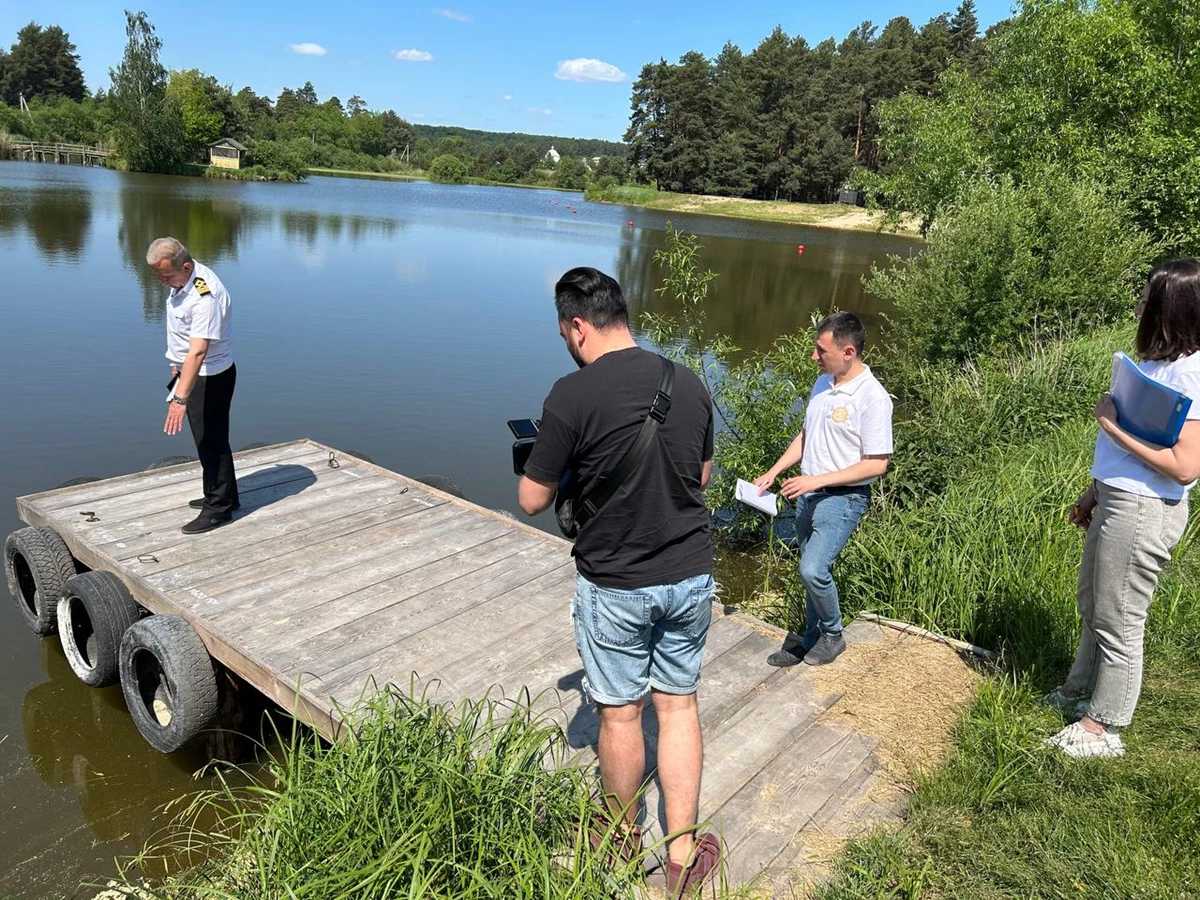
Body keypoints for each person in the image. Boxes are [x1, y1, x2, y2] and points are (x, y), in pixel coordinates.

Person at [517, 267, 720, 894]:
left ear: (578, 326)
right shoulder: (686, 381)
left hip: (618, 583)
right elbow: (704, 478)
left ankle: (619, 844)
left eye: (563, 332)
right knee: (678, 705)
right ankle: (682, 858)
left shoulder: (571, 396)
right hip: (689, 575)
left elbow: (530, 499)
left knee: (623, 717)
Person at [1046, 259, 1200, 759]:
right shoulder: (1157, 365)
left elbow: (1183, 466)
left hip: (1144, 508)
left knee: (1120, 616)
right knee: (1093, 604)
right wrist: (1094, 492)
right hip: (1117, 498)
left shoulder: (1191, 375)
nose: (1139, 304)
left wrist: (1113, 427)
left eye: (1148, 297)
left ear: (1169, 309)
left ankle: (1103, 725)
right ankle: (1077, 694)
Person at [753, 311, 893, 667]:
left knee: (813, 569)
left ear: (848, 352)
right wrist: (775, 470)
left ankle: (833, 634)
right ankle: (810, 637)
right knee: (806, 568)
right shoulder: (823, 383)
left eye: (820, 350)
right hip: (808, 495)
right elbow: (806, 435)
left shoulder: (873, 398)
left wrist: (816, 479)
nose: (814, 357)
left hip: (842, 499)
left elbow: (877, 464)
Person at [146, 237, 238, 534]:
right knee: (211, 438)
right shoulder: (184, 281)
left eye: (167, 275)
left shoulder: (204, 295)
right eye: (158, 276)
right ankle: (224, 495)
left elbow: (198, 351)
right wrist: (175, 365)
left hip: (208, 376)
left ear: (185, 266)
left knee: (209, 440)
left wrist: (179, 398)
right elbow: (182, 335)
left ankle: (218, 509)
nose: (163, 281)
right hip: (193, 370)